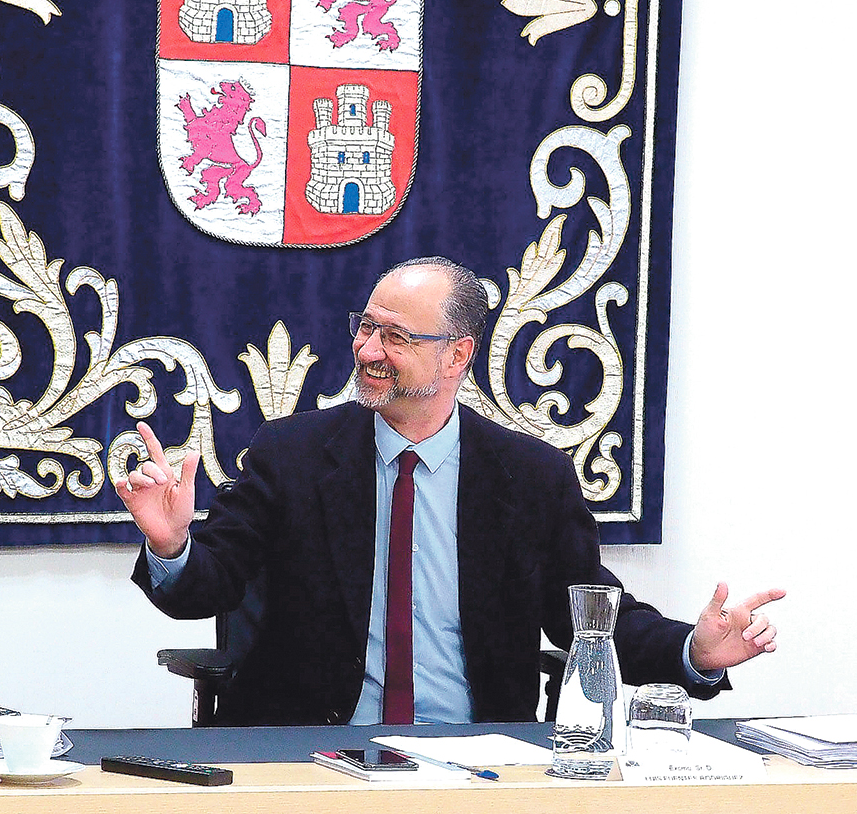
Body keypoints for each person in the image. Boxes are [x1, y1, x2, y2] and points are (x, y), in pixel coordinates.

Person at [118, 256, 785, 725]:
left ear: (457, 355)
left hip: (478, 763)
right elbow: (210, 584)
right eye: (366, 327)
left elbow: (590, 616)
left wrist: (694, 652)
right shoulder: (291, 456)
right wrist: (173, 544)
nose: (368, 350)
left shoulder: (531, 479)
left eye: (396, 336)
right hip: (313, 754)